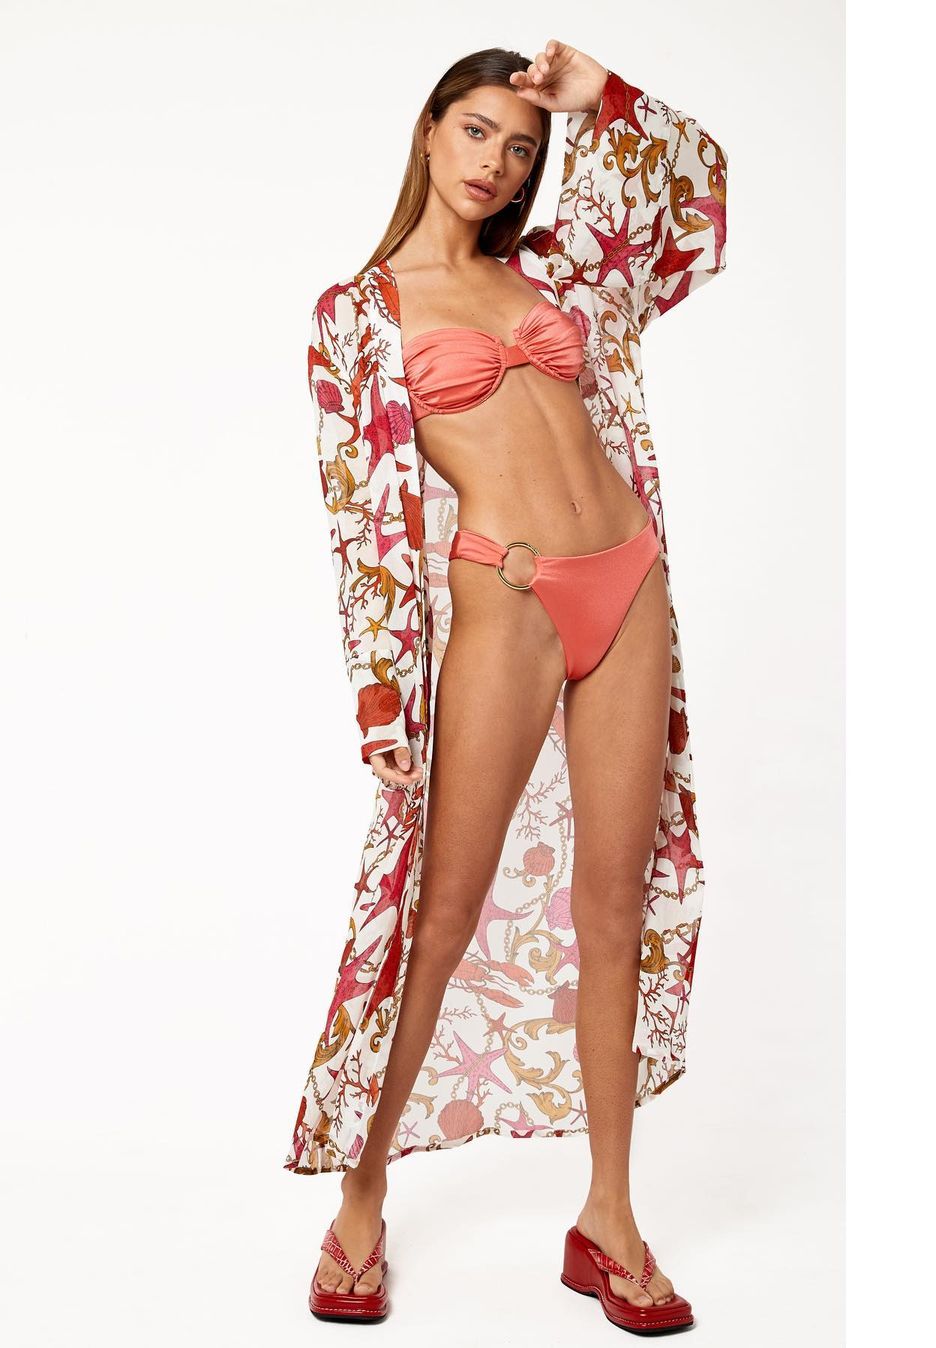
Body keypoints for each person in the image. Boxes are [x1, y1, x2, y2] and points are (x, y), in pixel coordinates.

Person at [291, 40, 728, 1333]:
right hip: (511, 597)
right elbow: (361, 516)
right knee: (441, 912)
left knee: (613, 907)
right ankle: (362, 1199)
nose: (497, 162)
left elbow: (694, 198)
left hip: (628, 581)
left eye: (522, 146)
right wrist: (381, 693)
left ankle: (609, 1217)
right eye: (477, 131)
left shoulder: (560, 275)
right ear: (430, 131)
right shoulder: (359, 315)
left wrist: (610, 102)